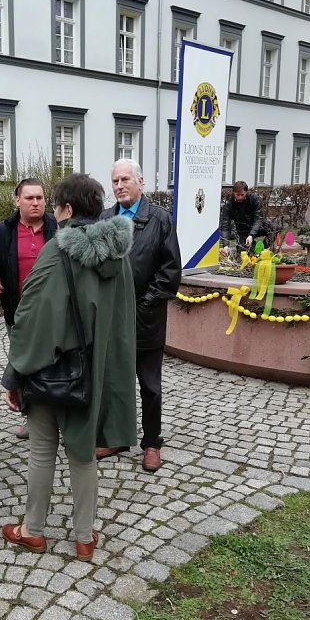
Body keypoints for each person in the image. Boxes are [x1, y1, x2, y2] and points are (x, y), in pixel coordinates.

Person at [0, 173, 137, 562]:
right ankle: (83, 538)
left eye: (56, 204)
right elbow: (121, 325)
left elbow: (29, 316)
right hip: (91, 373)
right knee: (83, 455)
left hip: (48, 372)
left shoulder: (56, 249)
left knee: (42, 451)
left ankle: (33, 531)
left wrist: (14, 375)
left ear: (69, 209)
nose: (52, 210)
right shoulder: (119, 255)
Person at [97, 158, 181, 472]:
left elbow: (170, 271)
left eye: (125, 180)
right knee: (114, 383)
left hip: (145, 318)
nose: (119, 186)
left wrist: (142, 304)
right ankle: (117, 436)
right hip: (110, 320)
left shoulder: (159, 219)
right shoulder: (105, 219)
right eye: (115, 181)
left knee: (150, 386)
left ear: (140, 182)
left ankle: (151, 443)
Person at [0, 178, 59, 439]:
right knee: (24, 366)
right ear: (17, 200)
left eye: (39, 197)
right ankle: (32, 418)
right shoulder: (2, 232)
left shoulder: (57, 227)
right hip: (18, 314)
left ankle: (60, 415)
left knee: (56, 365)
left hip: (55, 314)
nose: (35, 202)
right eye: (29, 198)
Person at [219, 181, 268, 256]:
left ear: (246, 192)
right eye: (237, 195)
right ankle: (253, 249)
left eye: (242, 195)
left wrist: (251, 235)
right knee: (242, 253)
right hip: (243, 231)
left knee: (275, 230)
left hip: (259, 227)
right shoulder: (229, 205)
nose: (240, 197)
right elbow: (225, 226)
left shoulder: (254, 200)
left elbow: (258, 219)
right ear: (233, 193)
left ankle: (264, 247)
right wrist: (225, 245)